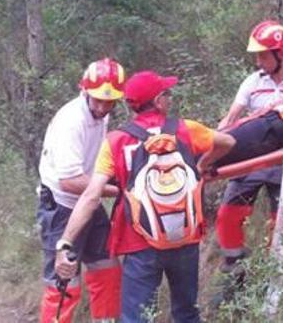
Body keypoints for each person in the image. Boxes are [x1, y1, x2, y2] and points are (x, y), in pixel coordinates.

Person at [54, 70, 235, 323]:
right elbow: (227, 141)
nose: (169, 99)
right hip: (185, 238)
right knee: (187, 313)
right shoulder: (185, 130)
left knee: (137, 318)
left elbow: (91, 196)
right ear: (159, 101)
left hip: (139, 244)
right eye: (166, 94)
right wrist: (203, 164)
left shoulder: (115, 142)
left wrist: (65, 242)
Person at [37, 58, 125, 323]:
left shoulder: (101, 115)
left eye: (109, 101)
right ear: (84, 91)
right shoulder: (72, 121)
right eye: (97, 99)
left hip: (88, 200)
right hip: (62, 206)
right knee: (64, 280)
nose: (102, 107)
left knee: (107, 269)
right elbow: (70, 181)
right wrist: (116, 189)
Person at [215, 20, 283, 279]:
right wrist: (216, 141)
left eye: (263, 56)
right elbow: (232, 118)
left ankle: (279, 272)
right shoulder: (253, 82)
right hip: (251, 160)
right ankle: (234, 267)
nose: (258, 62)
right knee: (227, 214)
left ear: (281, 53)